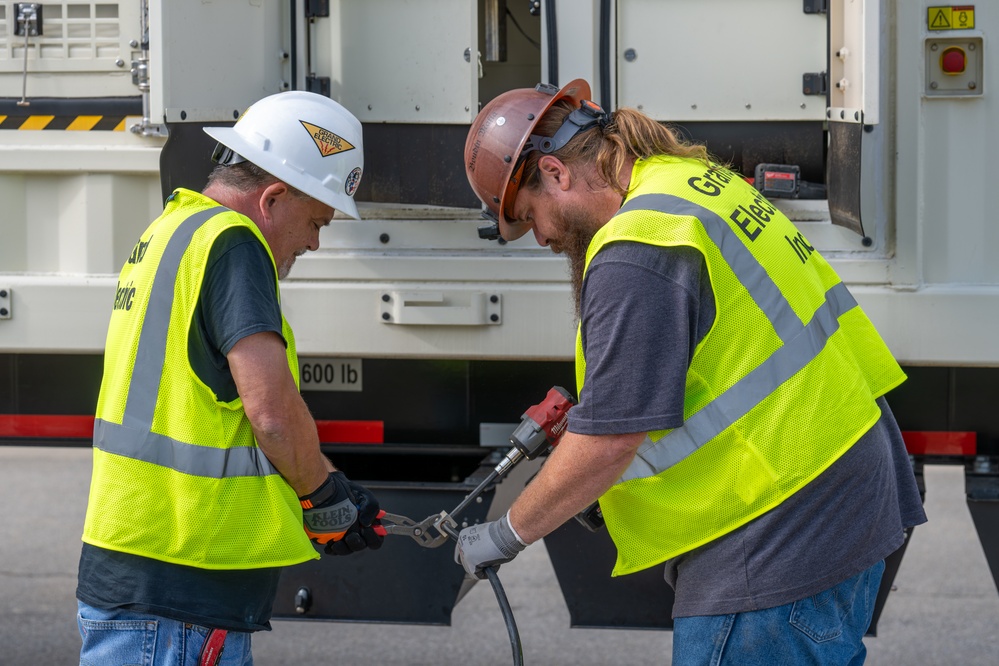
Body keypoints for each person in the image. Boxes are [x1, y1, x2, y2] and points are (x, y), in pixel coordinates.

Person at [455, 79, 927, 665]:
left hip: (774, 534)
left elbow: (607, 442)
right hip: (834, 496)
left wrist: (506, 532)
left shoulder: (636, 246)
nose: (545, 238)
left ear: (556, 173)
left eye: (532, 217)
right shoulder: (693, 185)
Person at [77, 91, 383, 665]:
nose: (315, 242)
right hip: (182, 585)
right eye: (317, 220)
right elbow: (269, 412)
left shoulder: (172, 230)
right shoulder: (234, 244)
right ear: (271, 198)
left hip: (139, 565)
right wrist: (323, 493)